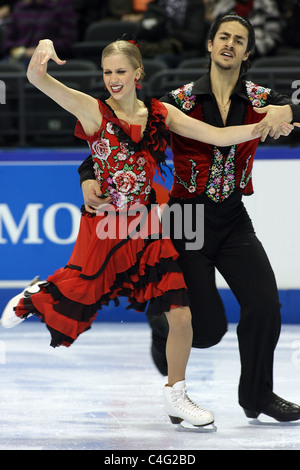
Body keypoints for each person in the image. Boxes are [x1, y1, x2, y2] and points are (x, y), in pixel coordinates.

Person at [1, 35, 281, 429]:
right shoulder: (92, 110)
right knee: (81, 294)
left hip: (149, 224)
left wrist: (260, 126)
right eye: (107, 72)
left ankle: (176, 395)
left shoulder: (161, 113)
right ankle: (35, 295)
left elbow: (216, 137)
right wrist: (43, 46)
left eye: (120, 71)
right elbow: (38, 80)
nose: (113, 79)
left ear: (137, 73)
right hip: (107, 226)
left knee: (181, 316)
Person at [78, 15, 300, 423]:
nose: (230, 44)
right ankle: (161, 322)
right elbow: (116, 139)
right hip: (186, 220)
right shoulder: (174, 101)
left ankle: (257, 396)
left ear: (247, 52)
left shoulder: (259, 99)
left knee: (265, 304)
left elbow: (297, 106)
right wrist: (88, 177)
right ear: (211, 46)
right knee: (209, 330)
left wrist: (285, 108)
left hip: (233, 216)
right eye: (223, 37)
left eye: (239, 40)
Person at [2, 0, 77, 64]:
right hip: (18, 56)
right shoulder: (21, 6)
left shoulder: (61, 6)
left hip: (48, 58)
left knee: (31, 68)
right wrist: (13, 49)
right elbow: (8, 37)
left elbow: (67, 39)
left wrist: (39, 50)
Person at [210, 0, 282, 59]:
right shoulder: (223, 7)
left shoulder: (267, 6)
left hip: (261, 56)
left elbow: (273, 37)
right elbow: (212, 37)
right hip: (228, 55)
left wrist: (245, 50)